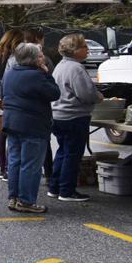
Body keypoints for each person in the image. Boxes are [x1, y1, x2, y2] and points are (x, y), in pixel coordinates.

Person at [2, 42, 59, 213]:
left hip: (12, 122)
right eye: (40, 56)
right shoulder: (37, 76)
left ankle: (13, 197)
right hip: (32, 124)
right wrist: (47, 74)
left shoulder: (10, 73)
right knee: (31, 164)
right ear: (33, 59)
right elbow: (54, 93)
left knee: (15, 161)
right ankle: (26, 201)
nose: (43, 58)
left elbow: (3, 94)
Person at [50, 33, 102, 203]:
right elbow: (86, 94)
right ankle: (67, 190)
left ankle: (55, 186)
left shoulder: (60, 66)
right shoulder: (76, 68)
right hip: (74, 116)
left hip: (58, 115)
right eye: (84, 47)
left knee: (63, 151)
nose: (88, 50)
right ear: (75, 50)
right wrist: (99, 97)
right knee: (73, 154)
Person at [0, 29, 25, 181]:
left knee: (0, 132)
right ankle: (9, 168)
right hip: (9, 93)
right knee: (11, 132)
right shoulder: (13, 56)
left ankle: (2, 168)